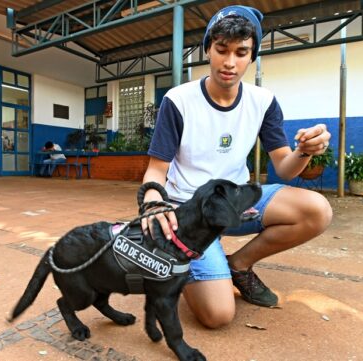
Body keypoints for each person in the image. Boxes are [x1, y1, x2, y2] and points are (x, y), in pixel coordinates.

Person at [141, 5, 333, 329]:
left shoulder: (263, 101)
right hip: (190, 209)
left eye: (241, 52)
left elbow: (284, 169)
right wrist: (152, 203)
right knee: (218, 316)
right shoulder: (178, 100)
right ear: (207, 50)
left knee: (317, 210)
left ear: (251, 56)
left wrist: (304, 151)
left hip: (238, 201)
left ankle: (239, 264)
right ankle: (178, 256)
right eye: (222, 50)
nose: (230, 62)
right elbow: (156, 168)